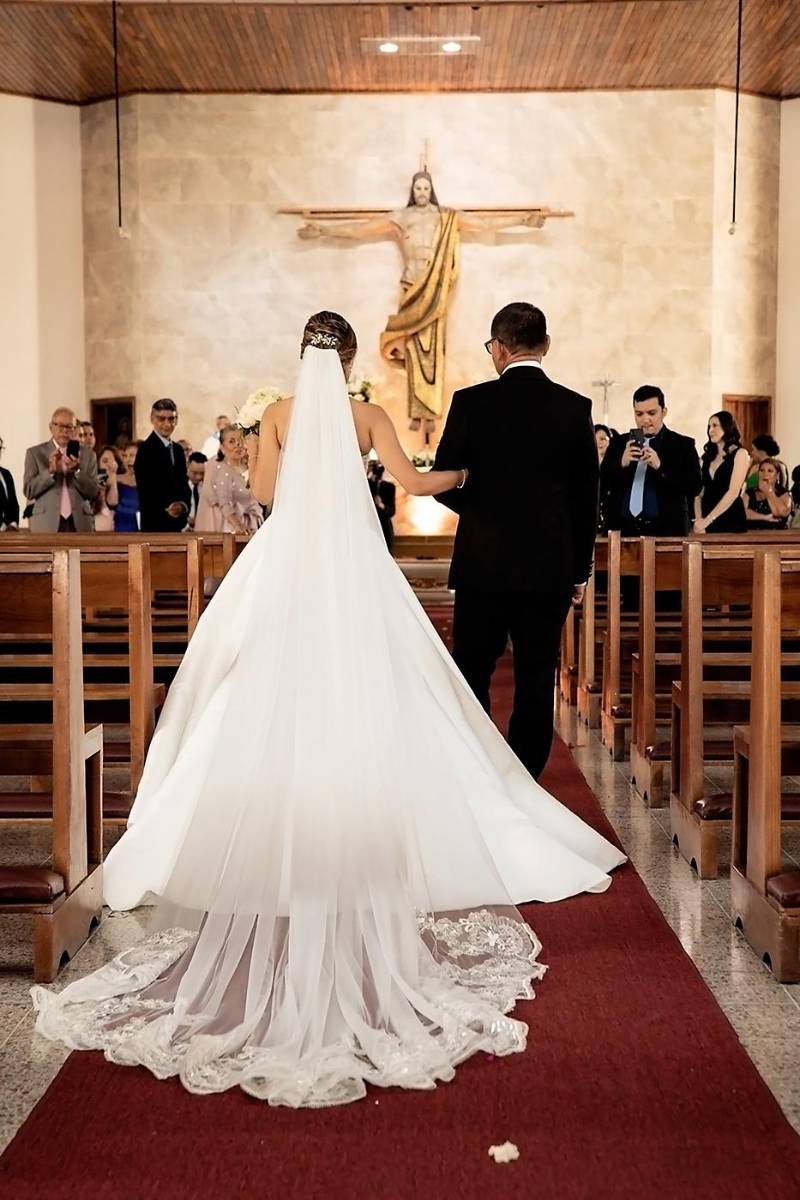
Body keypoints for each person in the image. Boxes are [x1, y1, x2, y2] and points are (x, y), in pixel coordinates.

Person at [31, 310, 625, 1108]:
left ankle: (259, 805)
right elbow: (414, 484)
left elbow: (269, 492)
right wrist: (464, 480)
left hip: (285, 565)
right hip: (354, 568)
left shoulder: (277, 417)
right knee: (389, 679)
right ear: (347, 361)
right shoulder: (368, 414)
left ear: (299, 357)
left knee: (250, 679)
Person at [433, 302, 599, 780]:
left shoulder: (471, 402)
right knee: (534, 676)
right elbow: (587, 497)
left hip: (483, 562)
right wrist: (579, 570)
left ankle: (478, 770)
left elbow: (445, 480)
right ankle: (524, 779)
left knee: (472, 671)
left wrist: (483, 510)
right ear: (545, 346)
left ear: (499, 349)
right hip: (548, 567)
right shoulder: (573, 407)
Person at [600, 386, 702, 537]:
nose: (645, 419)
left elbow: (695, 486)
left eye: (651, 413)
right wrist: (621, 464)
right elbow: (601, 483)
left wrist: (661, 467)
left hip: (666, 530)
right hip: (622, 531)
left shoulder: (682, 445)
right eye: (639, 414)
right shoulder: (619, 443)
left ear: (664, 412)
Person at [23, 408, 99, 532]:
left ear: (75, 429)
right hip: (46, 522)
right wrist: (50, 472)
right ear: (51, 427)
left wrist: (77, 472)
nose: (64, 431)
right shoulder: (35, 453)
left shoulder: (88, 455)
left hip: (79, 521)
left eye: (69, 427)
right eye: (60, 426)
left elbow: (93, 492)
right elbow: (29, 490)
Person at [134, 399, 191, 532]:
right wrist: (170, 508)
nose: (167, 424)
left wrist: (183, 505)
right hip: (155, 524)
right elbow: (145, 489)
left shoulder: (178, 450)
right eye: (162, 419)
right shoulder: (145, 450)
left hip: (178, 525)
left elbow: (183, 483)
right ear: (152, 419)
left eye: (172, 419)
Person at [195, 427, 261, 535]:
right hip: (229, 528)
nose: (237, 445)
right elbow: (224, 501)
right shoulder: (222, 469)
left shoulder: (249, 466)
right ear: (222, 447)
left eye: (240, 440)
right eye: (231, 441)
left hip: (250, 523)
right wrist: (239, 527)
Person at [694, 411, 749, 534]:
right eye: (709, 427)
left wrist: (709, 519)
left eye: (715, 425)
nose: (710, 431)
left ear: (727, 426)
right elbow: (698, 493)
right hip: (706, 518)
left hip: (730, 517)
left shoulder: (740, 454)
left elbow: (733, 492)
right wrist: (699, 520)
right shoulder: (705, 457)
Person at [745, 458, 792, 529]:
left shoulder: (785, 493)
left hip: (778, 536)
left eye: (770, 471)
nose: (765, 474)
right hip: (751, 535)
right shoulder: (749, 493)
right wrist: (764, 517)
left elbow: (782, 512)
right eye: (762, 470)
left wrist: (769, 492)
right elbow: (742, 513)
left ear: (777, 475)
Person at [367, 458, 396, 551]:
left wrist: (381, 504)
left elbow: (392, 511)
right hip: (369, 526)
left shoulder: (389, 487)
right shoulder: (367, 486)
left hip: (384, 526)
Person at [93, 445, 124, 532]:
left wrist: (113, 480)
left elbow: (113, 503)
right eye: (105, 461)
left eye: (113, 461)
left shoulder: (123, 486)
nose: (109, 465)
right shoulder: (93, 487)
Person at [115, 441, 141, 532]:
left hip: (144, 533)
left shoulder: (152, 483)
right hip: (120, 531)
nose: (128, 459)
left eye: (132, 455)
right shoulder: (116, 480)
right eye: (125, 456)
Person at [0, 436, 20, 530]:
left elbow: (13, 504)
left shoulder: (5, 474)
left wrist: (13, 524)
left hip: (7, 534)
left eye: (0, 448)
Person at [185, 451, 206, 530]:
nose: (198, 477)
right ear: (187, 465)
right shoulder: (178, 486)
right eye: (194, 473)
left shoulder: (207, 487)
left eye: (202, 473)